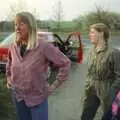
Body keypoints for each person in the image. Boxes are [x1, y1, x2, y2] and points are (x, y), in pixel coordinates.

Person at [6, 12, 71, 120]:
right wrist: (9, 78)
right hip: (19, 97)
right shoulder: (13, 47)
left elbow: (65, 63)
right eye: (15, 24)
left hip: (37, 98)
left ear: (30, 26)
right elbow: (9, 63)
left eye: (21, 24)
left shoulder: (43, 46)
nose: (17, 28)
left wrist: (54, 85)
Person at [80, 23, 120, 120]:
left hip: (106, 87)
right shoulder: (91, 51)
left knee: (108, 116)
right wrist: (87, 84)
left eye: (92, 32)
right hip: (91, 87)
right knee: (86, 114)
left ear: (101, 33)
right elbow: (89, 71)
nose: (89, 35)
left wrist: (111, 94)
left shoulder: (113, 52)